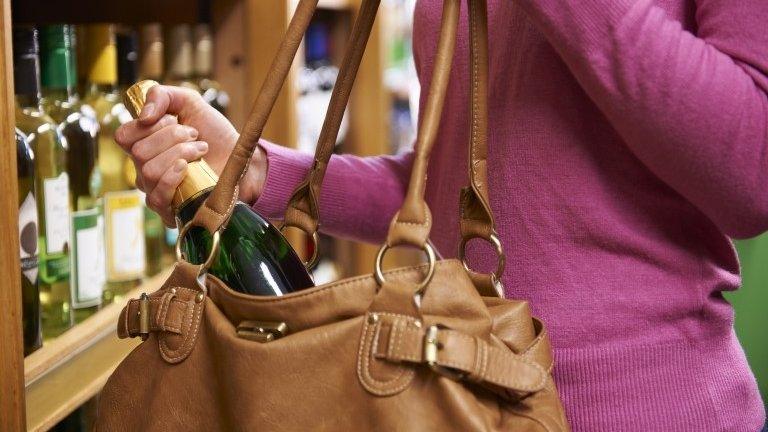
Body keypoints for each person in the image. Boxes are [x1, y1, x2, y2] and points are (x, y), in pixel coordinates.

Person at [115, 1, 767, 430]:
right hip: (460, 403)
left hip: (652, 411)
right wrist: (262, 170)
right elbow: (455, 186)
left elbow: (753, 173)